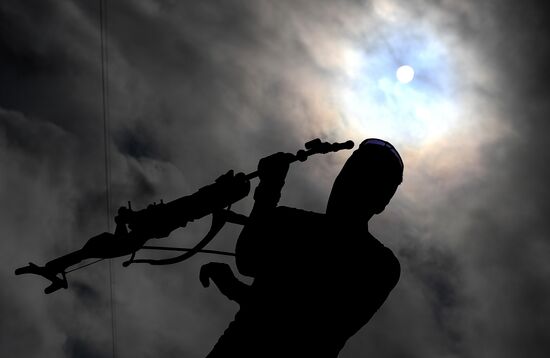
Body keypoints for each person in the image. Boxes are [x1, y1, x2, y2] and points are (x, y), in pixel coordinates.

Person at [200, 138, 403, 357]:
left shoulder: (380, 265)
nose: (347, 184)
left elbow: (313, 329)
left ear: (380, 202)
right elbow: (249, 262)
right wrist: (268, 190)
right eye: (348, 174)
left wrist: (269, 190)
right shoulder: (380, 264)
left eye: (362, 180)